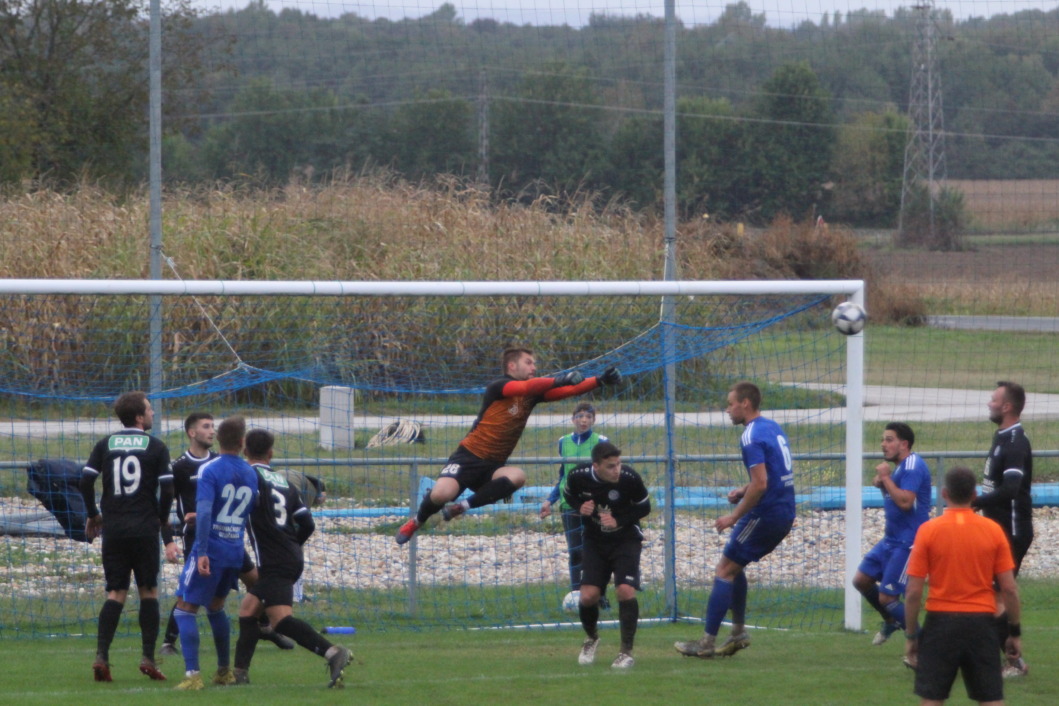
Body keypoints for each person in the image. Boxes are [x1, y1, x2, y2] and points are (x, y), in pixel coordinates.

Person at [395, 347, 621, 544]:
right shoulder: (500, 386)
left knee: (517, 476)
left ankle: (460, 508)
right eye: (528, 362)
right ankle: (416, 521)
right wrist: (558, 379)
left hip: (494, 464)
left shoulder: (532, 394)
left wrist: (599, 380)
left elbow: (568, 390)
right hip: (467, 457)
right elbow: (524, 388)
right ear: (512, 365)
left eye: (534, 363)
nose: (534, 367)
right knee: (441, 493)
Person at [675, 381, 796, 659]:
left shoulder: (750, 436)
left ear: (745, 403)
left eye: (730, 404)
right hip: (784, 509)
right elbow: (772, 475)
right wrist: (744, 490)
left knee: (724, 570)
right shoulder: (771, 426)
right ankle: (738, 632)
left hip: (765, 513)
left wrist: (734, 515)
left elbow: (762, 484)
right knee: (735, 567)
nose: (727, 410)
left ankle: (706, 643)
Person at [160, 413, 293, 657]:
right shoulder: (180, 467)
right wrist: (169, 539)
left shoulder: (220, 462)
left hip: (228, 537)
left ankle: (265, 626)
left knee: (254, 581)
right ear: (192, 433)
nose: (211, 431)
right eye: (206, 426)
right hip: (199, 537)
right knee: (189, 594)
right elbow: (164, 507)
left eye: (214, 427)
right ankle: (170, 640)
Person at [233, 429, 352, 687]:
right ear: (271, 453)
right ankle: (240, 674)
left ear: (245, 452)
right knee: (248, 610)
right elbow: (307, 523)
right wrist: (291, 545)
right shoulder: (284, 482)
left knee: (281, 620)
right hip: (288, 556)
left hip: (276, 561)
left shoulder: (247, 476)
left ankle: (333, 653)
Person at [80, 390, 177, 682]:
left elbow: (85, 480)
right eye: (149, 409)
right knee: (148, 591)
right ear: (139, 416)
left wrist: (93, 514)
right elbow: (169, 489)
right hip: (144, 527)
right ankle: (148, 657)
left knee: (116, 592)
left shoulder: (105, 444)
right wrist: (161, 519)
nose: (152, 414)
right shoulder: (156, 446)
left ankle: (101, 656)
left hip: (115, 528)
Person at [903, 466, 1022, 706]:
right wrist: (1014, 632)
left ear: (944, 493)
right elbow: (1009, 589)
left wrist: (911, 634)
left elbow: (913, 591)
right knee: (990, 698)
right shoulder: (993, 531)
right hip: (981, 623)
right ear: (975, 495)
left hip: (940, 622)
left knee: (932, 698)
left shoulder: (928, 531)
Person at [172, 415, 259, 691]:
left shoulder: (210, 470)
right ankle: (224, 671)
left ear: (219, 439)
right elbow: (245, 509)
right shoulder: (250, 472)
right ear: (243, 443)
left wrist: (202, 551)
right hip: (234, 548)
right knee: (217, 607)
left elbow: (209, 510)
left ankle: (192, 675)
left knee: (184, 610)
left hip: (211, 547)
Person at [562, 441, 650, 669]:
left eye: (618, 464)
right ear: (596, 466)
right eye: (611, 466)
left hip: (626, 540)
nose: (617, 470)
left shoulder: (630, 478)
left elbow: (645, 506)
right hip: (594, 541)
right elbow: (569, 495)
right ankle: (591, 638)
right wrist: (580, 506)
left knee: (625, 589)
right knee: (588, 596)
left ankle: (625, 652)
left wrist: (619, 520)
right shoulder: (578, 476)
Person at [972, 380, 1033, 678]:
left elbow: (1010, 489)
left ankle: (1014, 662)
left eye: (993, 400)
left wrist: (976, 501)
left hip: (1012, 532)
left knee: (995, 597)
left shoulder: (1015, 443)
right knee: (990, 596)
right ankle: (1009, 659)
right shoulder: (1001, 437)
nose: (989, 403)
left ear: (1007, 406)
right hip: (998, 531)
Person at [853, 422, 932, 645]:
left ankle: (924, 643)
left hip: (909, 542)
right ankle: (891, 620)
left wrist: (886, 478)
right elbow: (897, 497)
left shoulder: (913, 466)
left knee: (888, 597)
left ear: (904, 444)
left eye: (889, 440)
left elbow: (906, 502)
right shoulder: (900, 467)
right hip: (891, 539)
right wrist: (883, 484)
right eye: (883, 439)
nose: (883, 444)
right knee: (861, 580)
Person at [539, 402, 608, 603]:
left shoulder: (601, 441)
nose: (583, 420)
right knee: (575, 552)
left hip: (593, 505)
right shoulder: (563, 442)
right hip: (570, 504)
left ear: (594, 420)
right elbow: (563, 475)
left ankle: (600, 593)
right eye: (580, 416)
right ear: (573, 419)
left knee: (596, 552)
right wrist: (549, 500)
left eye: (588, 416)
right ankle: (577, 595)